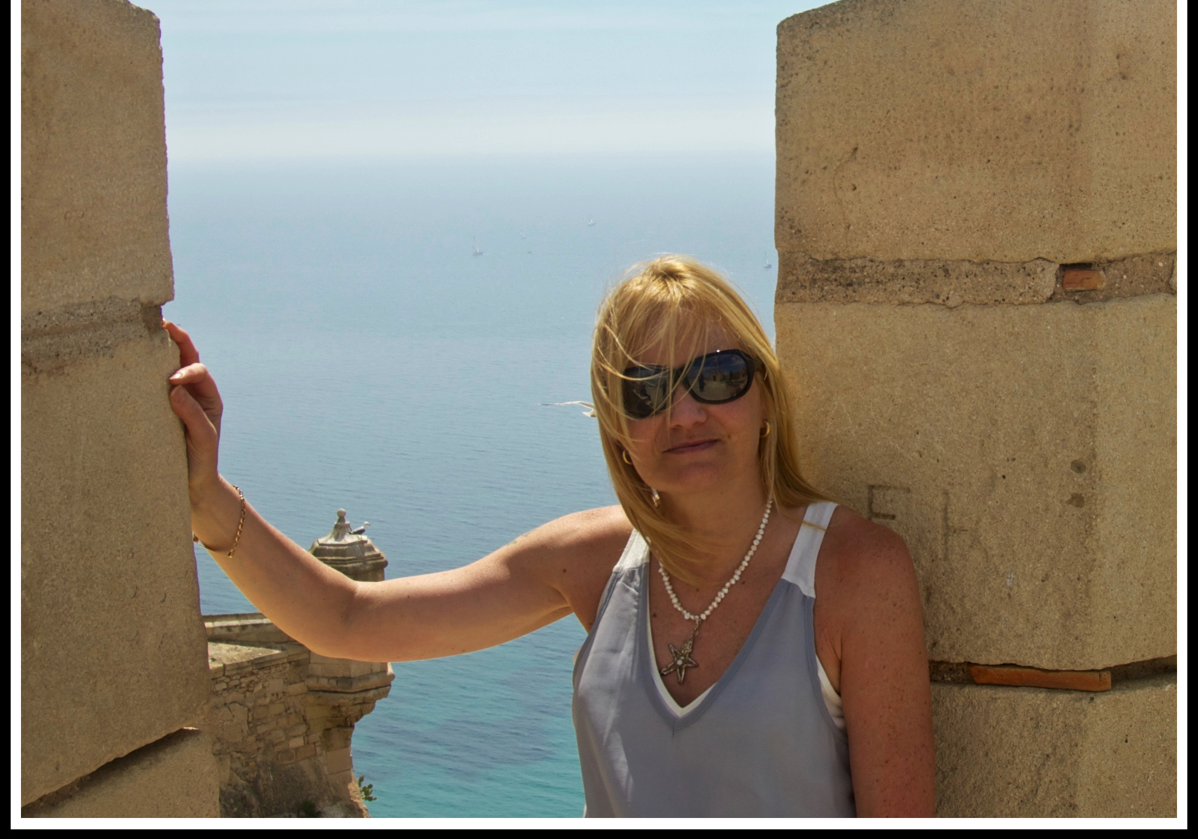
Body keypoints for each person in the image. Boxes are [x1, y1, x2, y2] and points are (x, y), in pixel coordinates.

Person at [166, 254, 935, 818]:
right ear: (616, 427)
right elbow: (346, 621)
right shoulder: (593, 562)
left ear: (766, 395)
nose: (686, 414)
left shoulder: (853, 574)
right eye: (646, 390)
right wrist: (206, 499)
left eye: (720, 375)